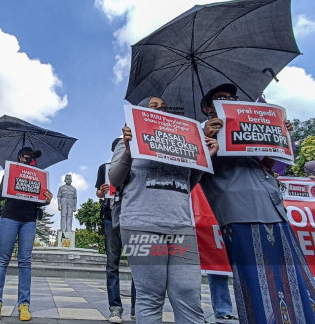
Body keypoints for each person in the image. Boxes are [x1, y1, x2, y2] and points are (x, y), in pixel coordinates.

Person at [200, 83, 315, 323]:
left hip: (273, 209)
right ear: (206, 108)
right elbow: (196, 170)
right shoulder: (201, 132)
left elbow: (265, 166)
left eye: (232, 97)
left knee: (293, 278)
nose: (227, 100)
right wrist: (206, 138)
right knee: (257, 283)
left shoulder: (245, 128)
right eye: (220, 98)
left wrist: (280, 136)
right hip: (240, 213)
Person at [109, 96, 219, 323]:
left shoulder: (184, 141)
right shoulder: (127, 141)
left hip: (181, 226)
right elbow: (115, 178)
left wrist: (204, 158)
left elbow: (187, 185)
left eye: (164, 106)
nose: (161, 109)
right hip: (141, 225)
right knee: (150, 295)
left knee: (189, 293)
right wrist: (129, 151)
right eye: (154, 106)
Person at [0, 147, 53, 321]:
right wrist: (13, 179)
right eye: (27, 157)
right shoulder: (11, 171)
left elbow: (40, 201)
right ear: (20, 157)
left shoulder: (38, 175)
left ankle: (24, 304)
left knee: (25, 262)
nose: (31, 159)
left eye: (33, 158)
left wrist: (47, 199)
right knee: (2, 260)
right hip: (9, 217)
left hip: (29, 220)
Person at [96, 138, 136, 323]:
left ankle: (137, 307)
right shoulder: (104, 168)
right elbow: (99, 192)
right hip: (110, 215)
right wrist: (100, 193)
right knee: (112, 264)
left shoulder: (136, 163)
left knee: (138, 263)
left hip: (132, 215)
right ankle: (115, 308)